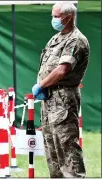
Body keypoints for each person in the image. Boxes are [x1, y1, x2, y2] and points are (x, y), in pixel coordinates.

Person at [32, 2, 89, 177]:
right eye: (53, 16)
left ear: (69, 17)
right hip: (49, 98)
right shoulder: (56, 38)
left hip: (63, 98)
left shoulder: (76, 40)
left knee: (66, 144)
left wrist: (41, 85)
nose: (53, 19)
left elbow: (62, 70)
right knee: (51, 146)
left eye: (56, 16)